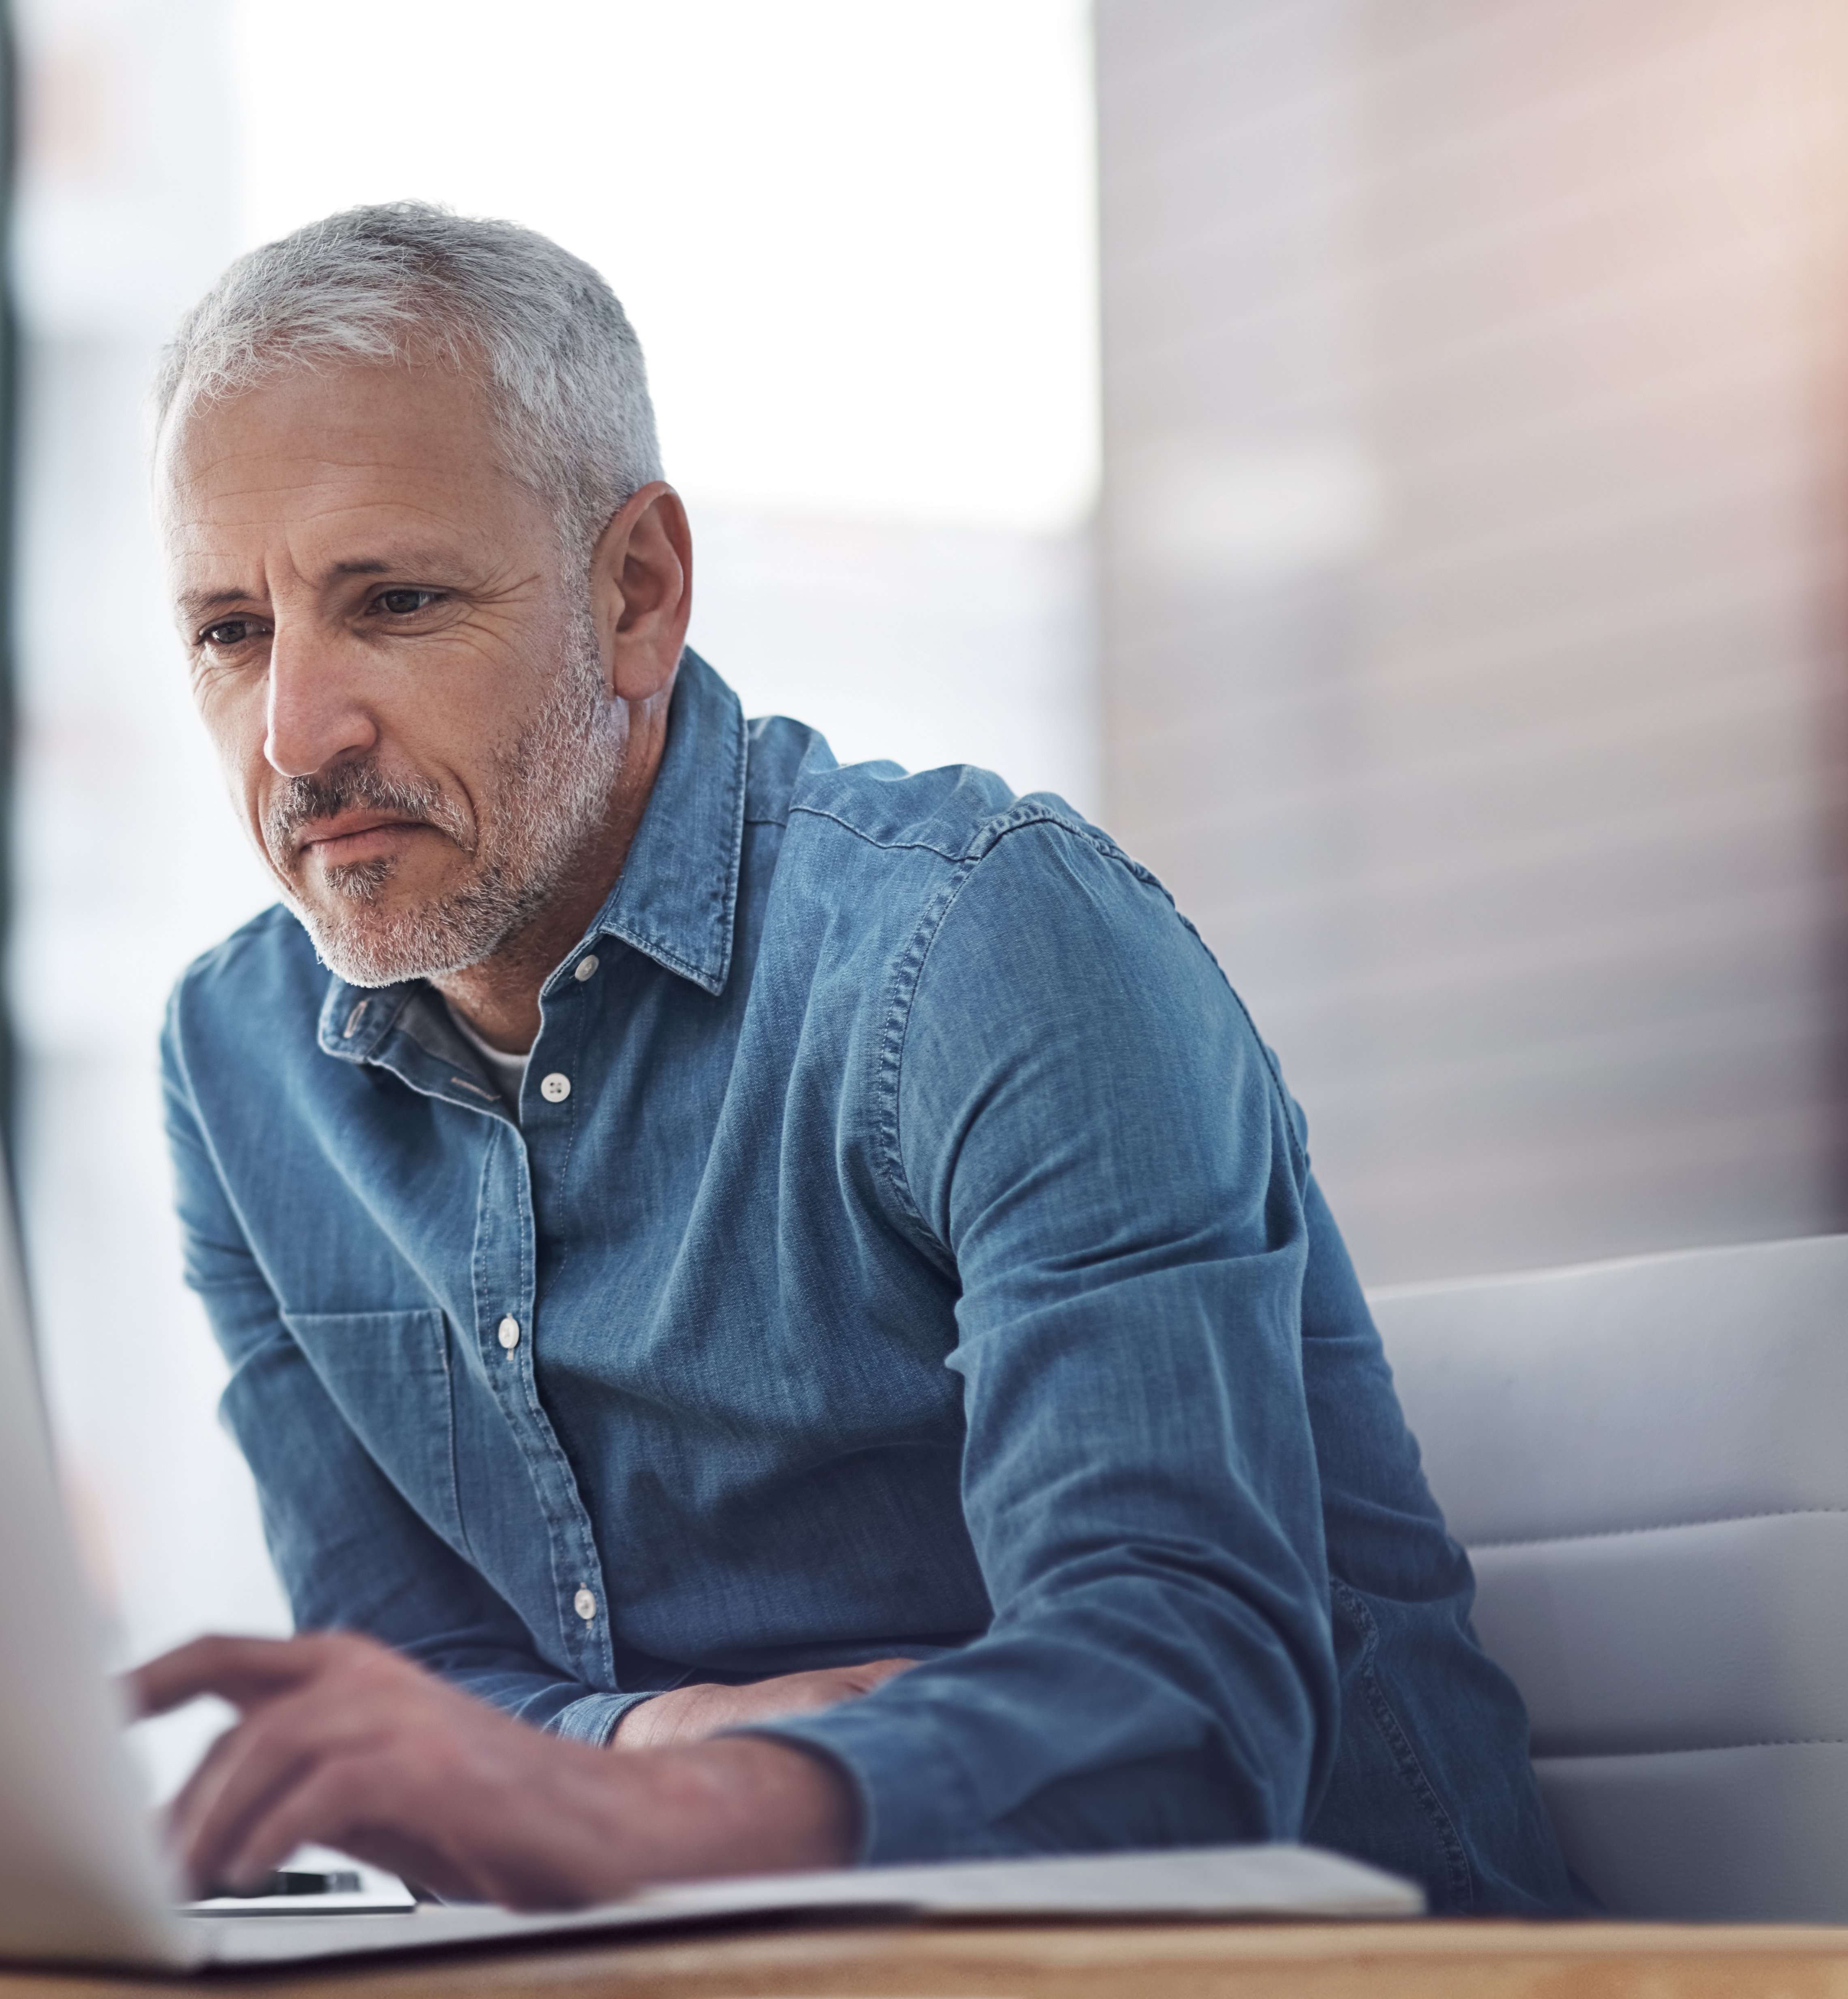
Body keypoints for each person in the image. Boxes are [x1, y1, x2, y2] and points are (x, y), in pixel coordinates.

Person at [137, 201, 1588, 1918]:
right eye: (232, 631)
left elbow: (1184, 1703)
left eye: (395, 599)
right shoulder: (239, 1063)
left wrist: (633, 1819)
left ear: (637, 594)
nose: (297, 733)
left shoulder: (986, 945)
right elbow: (405, 1682)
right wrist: (647, 1745)